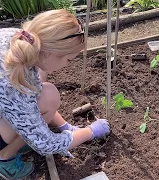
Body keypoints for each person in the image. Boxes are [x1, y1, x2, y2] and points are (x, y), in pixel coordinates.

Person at [0, 9, 111, 179]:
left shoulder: (19, 38)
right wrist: (90, 131)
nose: (67, 65)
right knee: (47, 99)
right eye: (68, 59)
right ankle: (4, 159)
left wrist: (66, 127)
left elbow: (36, 92)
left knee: (47, 93)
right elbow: (46, 144)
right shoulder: (16, 85)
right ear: (49, 53)